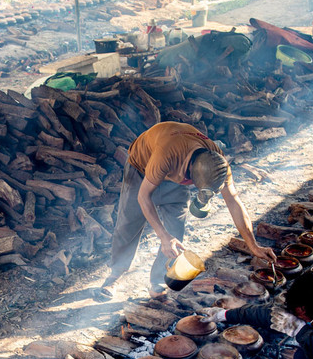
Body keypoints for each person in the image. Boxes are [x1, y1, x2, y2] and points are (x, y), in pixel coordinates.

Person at [101, 122, 276, 298]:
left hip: (174, 173)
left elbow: (233, 200)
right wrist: (163, 237)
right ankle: (116, 274)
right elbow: (143, 197)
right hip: (142, 167)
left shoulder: (218, 165)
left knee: (175, 230)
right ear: (190, 171)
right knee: (129, 223)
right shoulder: (166, 154)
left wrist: (253, 245)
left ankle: (158, 282)